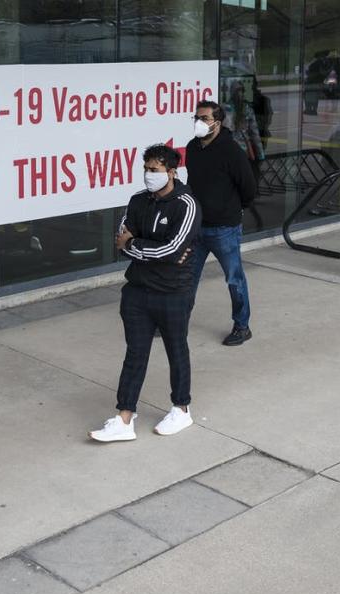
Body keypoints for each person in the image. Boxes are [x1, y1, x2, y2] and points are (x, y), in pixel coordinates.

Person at [89, 145, 199, 442]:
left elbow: (173, 248)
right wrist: (143, 247)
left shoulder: (186, 204)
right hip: (137, 291)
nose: (150, 175)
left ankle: (181, 408)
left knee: (177, 350)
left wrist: (134, 245)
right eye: (147, 169)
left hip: (173, 292)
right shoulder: (138, 200)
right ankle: (124, 418)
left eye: (156, 170)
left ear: (172, 172)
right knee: (135, 353)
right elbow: (121, 238)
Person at [186, 100, 257, 346]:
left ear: (218, 122)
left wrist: (232, 210)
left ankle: (242, 326)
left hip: (224, 228)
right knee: (186, 278)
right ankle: (175, 321)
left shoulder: (231, 151)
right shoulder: (192, 148)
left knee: (234, 279)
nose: (199, 122)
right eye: (196, 117)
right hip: (197, 227)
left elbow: (249, 187)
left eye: (204, 118)